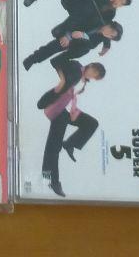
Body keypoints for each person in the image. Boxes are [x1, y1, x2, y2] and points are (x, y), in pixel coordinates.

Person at [37, 59, 105, 197]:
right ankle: (53, 181)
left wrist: (74, 111)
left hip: (67, 111)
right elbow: (57, 61)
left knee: (92, 123)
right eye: (94, 72)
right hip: (57, 110)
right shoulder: (76, 68)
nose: (92, 76)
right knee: (53, 147)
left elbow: (72, 97)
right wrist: (62, 80)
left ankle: (69, 144)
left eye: (95, 77)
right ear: (90, 66)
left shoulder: (83, 81)